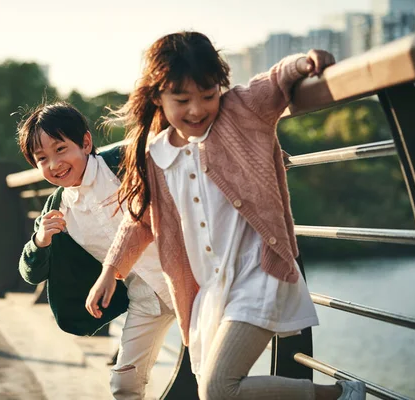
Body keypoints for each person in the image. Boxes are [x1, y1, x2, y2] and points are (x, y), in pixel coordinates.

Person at [85, 31, 366, 400]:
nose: (197, 109)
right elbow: (140, 220)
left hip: (259, 274)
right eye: (182, 99)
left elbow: (275, 82)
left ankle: (341, 395)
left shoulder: (240, 111)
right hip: (212, 289)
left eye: (208, 95)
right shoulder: (156, 155)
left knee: (217, 390)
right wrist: (111, 271)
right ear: (157, 97)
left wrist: (302, 64)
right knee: (213, 388)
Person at [17, 102, 177, 399]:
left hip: (191, 280)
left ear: (86, 143)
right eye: (42, 158)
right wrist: (40, 240)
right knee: (123, 385)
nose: (54, 164)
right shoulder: (58, 209)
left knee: (213, 377)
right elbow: (30, 273)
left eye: (61, 149)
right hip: (145, 299)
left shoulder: (122, 161)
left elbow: (183, 149)